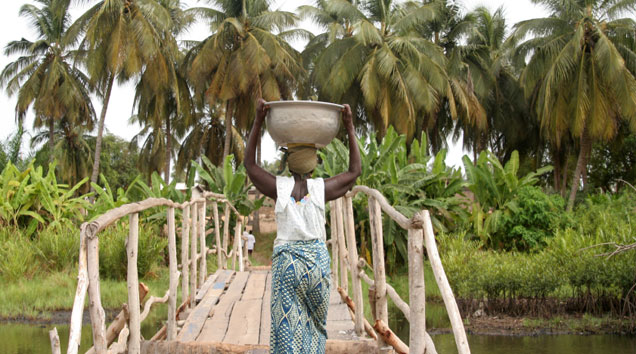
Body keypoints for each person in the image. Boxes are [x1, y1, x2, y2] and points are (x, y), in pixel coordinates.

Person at [244, 98, 361, 354]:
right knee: (315, 327)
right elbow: (354, 171)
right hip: (317, 266)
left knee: (286, 332)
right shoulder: (321, 189)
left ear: (289, 162)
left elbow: (250, 166)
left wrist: (257, 121)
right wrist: (349, 127)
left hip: (288, 265)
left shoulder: (280, 187)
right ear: (314, 162)